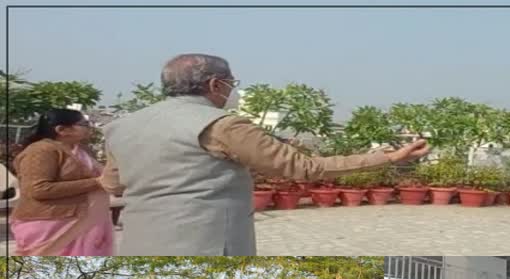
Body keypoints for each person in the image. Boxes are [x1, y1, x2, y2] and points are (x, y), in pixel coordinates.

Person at [100, 53, 430, 256]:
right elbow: (304, 167)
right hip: (206, 242)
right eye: (232, 82)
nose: (234, 90)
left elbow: (113, 184)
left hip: (139, 241)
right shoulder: (223, 125)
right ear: (216, 85)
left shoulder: (121, 126)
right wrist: (388, 157)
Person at [11, 108, 113, 255]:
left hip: (84, 218)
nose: (90, 127)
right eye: (84, 124)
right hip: (50, 223)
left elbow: (106, 176)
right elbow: (38, 189)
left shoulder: (81, 150)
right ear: (62, 129)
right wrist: (97, 182)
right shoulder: (41, 150)